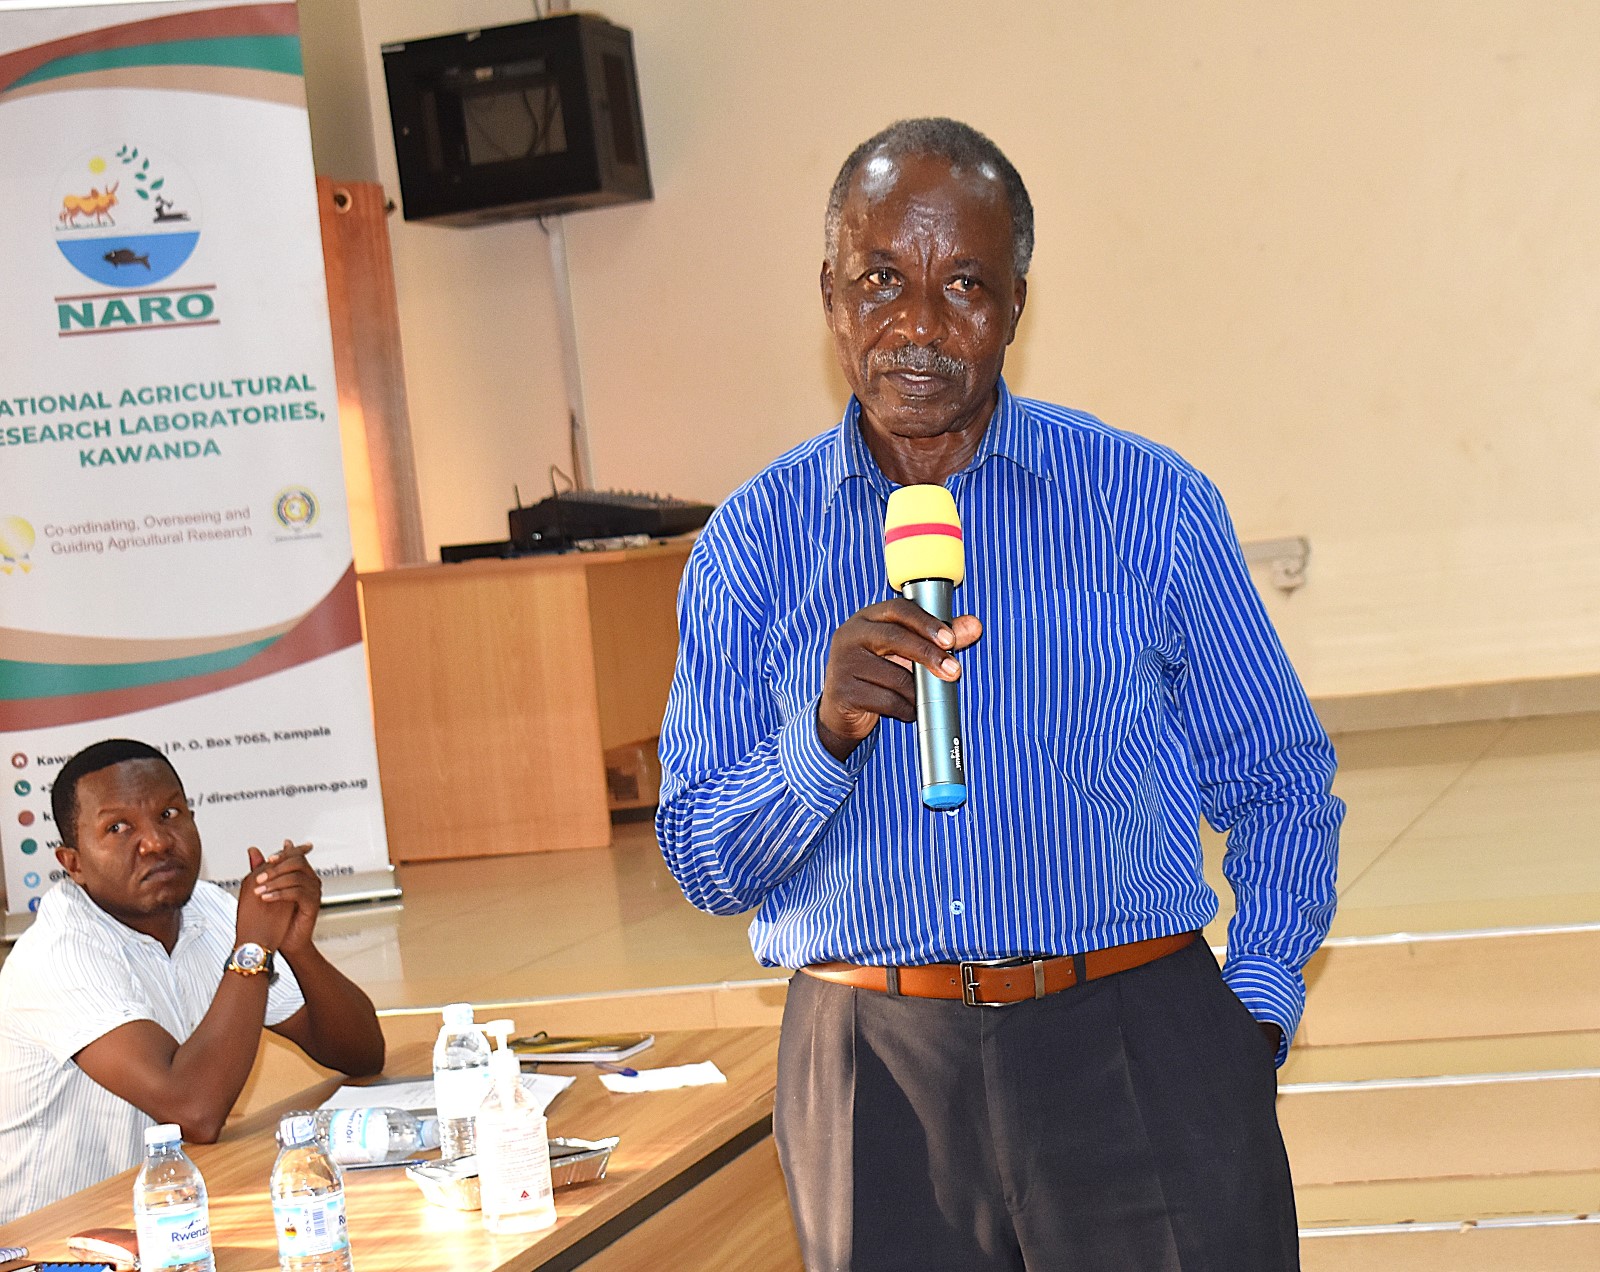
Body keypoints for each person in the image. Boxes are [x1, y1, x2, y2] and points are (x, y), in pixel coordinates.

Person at [656, 117, 1344, 1271]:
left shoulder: (1144, 502)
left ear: (1016, 307)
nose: (917, 325)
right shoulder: (750, 545)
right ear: (830, 296)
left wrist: (1254, 1008)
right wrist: (817, 737)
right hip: (868, 1076)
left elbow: (1279, 779)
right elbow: (700, 858)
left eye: (963, 284)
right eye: (882, 279)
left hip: (1134, 1044)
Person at [0, 738, 386, 1221]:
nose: (157, 842)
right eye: (118, 827)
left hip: (171, 1217)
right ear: (73, 863)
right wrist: (253, 949)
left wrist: (296, 946)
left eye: (170, 814)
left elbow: (362, 1053)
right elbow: (194, 1111)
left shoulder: (212, 910)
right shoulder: (57, 955)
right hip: (56, 1241)